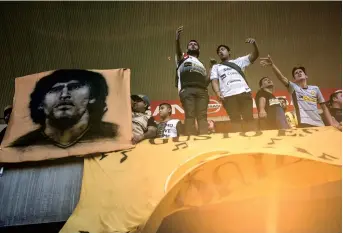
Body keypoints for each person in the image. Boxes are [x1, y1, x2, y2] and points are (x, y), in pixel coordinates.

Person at [10, 69, 118, 148]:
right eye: (55, 89)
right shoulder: (21, 146)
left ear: (93, 96)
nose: (64, 95)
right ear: (40, 103)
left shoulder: (114, 134)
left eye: (74, 87)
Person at [260, 55, 338, 128]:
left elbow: (324, 108)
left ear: (306, 76)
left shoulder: (315, 88)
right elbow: (282, 78)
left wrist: (331, 124)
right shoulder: (293, 87)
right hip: (304, 124)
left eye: (300, 71)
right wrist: (272, 65)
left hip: (320, 124)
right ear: (294, 79)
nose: (299, 73)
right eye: (296, 73)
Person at [210, 38, 259, 132]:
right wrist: (217, 92)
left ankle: (253, 142)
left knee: (248, 117)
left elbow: (254, 56)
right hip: (228, 96)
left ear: (229, 52)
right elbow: (214, 81)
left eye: (223, 49)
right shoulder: (216, 67)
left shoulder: (238, 61)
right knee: (235, 119)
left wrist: (254, 44)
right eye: (218, 51)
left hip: (244, 92)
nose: (220, 51)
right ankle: (238, 143)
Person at [175, 26, 209, 135]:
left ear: (199, 49)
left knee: (202, 116)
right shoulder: (182, 58)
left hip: (202, 91)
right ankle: (190, 138)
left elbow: (206, 81)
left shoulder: (202, 65)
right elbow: (178, 50)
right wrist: (177, 39)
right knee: (190, 115)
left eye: (195, 44)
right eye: (190, 44)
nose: (193, 45)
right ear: (186, 49)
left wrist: (212, 68)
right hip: (187, 89)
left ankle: (204, 137)